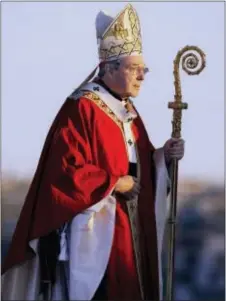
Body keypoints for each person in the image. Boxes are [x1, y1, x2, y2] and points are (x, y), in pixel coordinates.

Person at [1, 4, 184, 301]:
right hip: (97, 236)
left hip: (133, 229)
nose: (143, 76)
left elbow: (142, 166)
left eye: (144, 69)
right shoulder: (82, 108)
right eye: (135, 68)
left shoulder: (128, 110)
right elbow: (63, 172)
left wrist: (164, 157)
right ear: (110, 67)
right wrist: (114, 182)